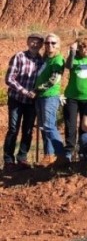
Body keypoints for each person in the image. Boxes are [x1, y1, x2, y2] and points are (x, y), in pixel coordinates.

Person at [4, 33, 43, 171]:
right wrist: (25, 91)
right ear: (27, 42)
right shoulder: (19, 56)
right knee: (13, 129)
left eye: (38, 42)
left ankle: (22, 158)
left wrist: (37, 92)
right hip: (16, 99)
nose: (35, 44)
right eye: (33, 41)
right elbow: (9, 79)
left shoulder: (42, 60)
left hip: (32, 102)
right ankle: (8, 160)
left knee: (27, 130)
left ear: (41, 45)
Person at [62, 38, 87, 165]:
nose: (86, 49)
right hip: (72, 97)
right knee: (70, 125)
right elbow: (68, 66)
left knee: (84, 126)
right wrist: (72, 52)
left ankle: (83, 150)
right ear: (79, 48)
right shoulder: (74, 58)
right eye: (83, 47)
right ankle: (69, 151)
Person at [35, 33, 65, 166]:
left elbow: (54, 80)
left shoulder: (58, 59)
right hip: (41, 97)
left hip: (50, 96)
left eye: (53, 43)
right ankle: (49, 155)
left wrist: (37, 89)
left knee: (49, 125)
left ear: (58, 45)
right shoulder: (46, 58)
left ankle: (61, 155)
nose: (50, 45)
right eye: (47, 43)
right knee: (44, 127)